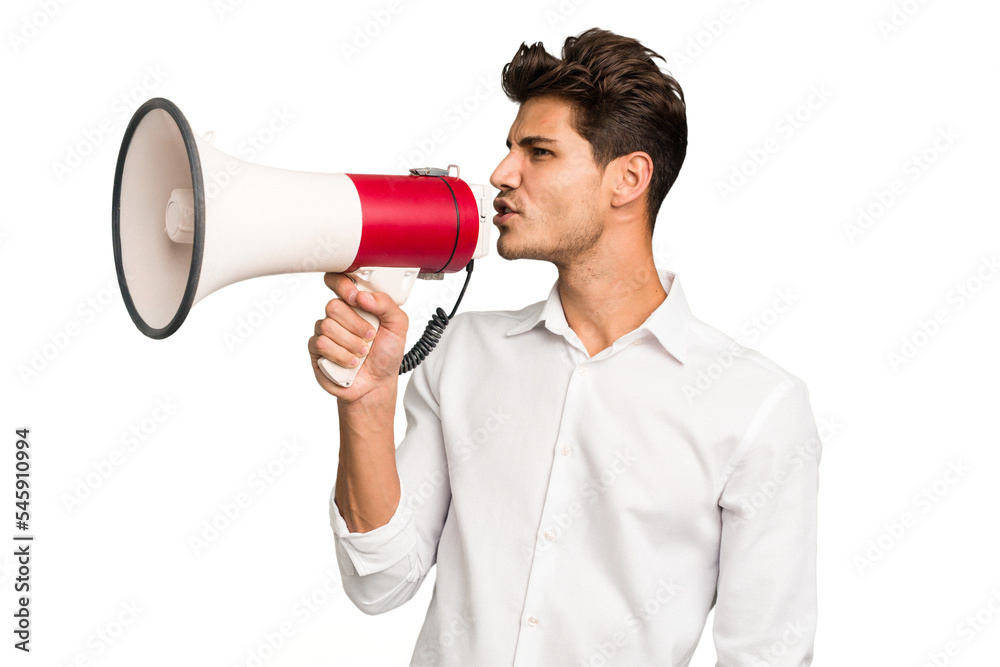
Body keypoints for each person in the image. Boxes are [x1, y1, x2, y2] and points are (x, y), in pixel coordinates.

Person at [308, 28, 820, 666]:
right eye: (509, 148)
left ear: (628, 178)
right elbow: (379, 583)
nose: (500, 173)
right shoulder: (460, 355)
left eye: (539, 152)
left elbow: (765, 654)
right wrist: (367, 404)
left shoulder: (756, 408)